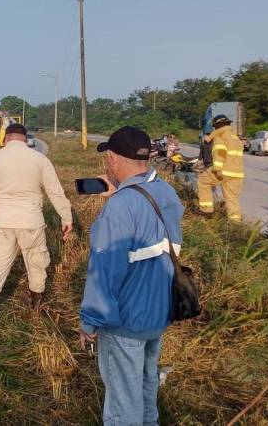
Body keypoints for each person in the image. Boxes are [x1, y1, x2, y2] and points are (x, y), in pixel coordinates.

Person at [79, 126, 184, 425]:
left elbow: (104, 272)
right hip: (158, 313)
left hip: (125, 320)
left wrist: (89, 322)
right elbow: (149, 236)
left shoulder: (121, 205)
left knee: (122, 404)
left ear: (112, 158)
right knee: (146, 384)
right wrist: (123, 195)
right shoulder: (166, 192)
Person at [0, 123, 73, 325]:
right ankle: (36, 308)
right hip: (31, 220)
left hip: (2, 220)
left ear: (5, 139)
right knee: (36, 262)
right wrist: (66, 218)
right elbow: (55, 191)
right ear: (25, 139)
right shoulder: (39, 159)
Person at [197, 115, 245, 222]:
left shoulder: (220, 136)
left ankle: (206, 210)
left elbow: (220, 153)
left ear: (216, 126)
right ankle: (235, 222)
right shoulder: (235, 138)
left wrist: (217, 170)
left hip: (224, 170)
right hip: (237, 173)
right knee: (232, 198)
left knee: (203, 181)